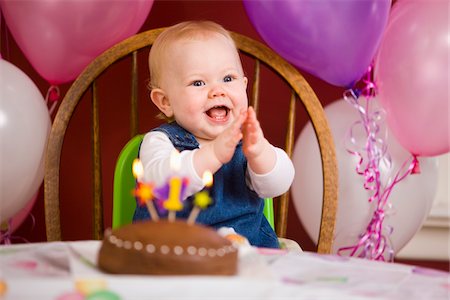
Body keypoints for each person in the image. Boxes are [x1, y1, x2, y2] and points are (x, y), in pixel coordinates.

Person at [133, 20, 295, 248]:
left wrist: (260, 154)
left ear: (244, 86)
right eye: (198, 82)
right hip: (176, 259)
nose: (217, 91)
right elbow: (162, 184)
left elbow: (277, 185)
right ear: (166, 101)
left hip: (246, 257)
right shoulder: (160, 142)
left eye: (228, 79)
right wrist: (213, 155)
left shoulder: (247, 142)